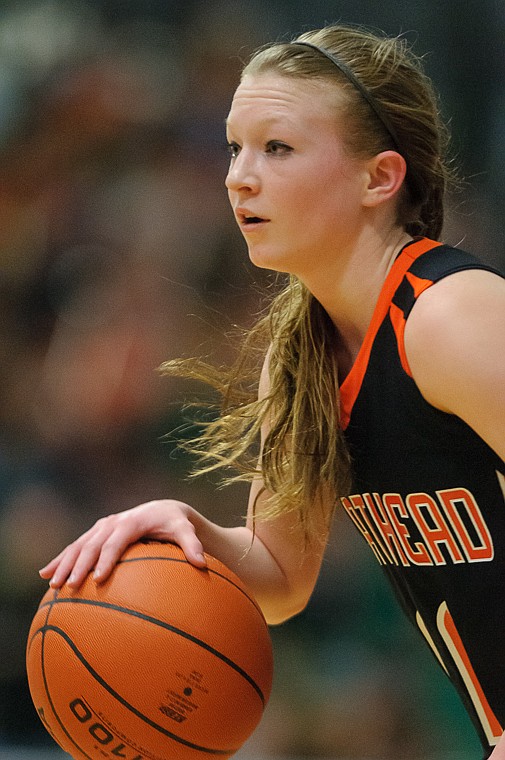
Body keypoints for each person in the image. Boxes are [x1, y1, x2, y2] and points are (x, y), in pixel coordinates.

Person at [39, 23, 505, 759]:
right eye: (233, 147)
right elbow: (281, 580)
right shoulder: (302, 358)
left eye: (276, 148)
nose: (238, 176)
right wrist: (187, 529)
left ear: (377, 178)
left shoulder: (449, 315)